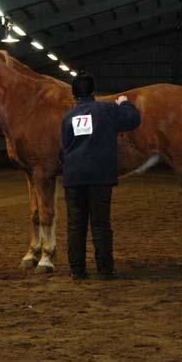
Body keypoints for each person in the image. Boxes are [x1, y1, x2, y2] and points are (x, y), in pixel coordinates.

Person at [60, 71, 141, 280]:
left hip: (74, 178)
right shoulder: (107, 110)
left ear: (73, 94)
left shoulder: (69, 117)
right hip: (99, 177)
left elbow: (64, 147)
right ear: (93, 91)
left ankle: (77, 270)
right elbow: (133, 120)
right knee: (101, 224)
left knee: (75, 225)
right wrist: (124, 103)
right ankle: (105, 269)